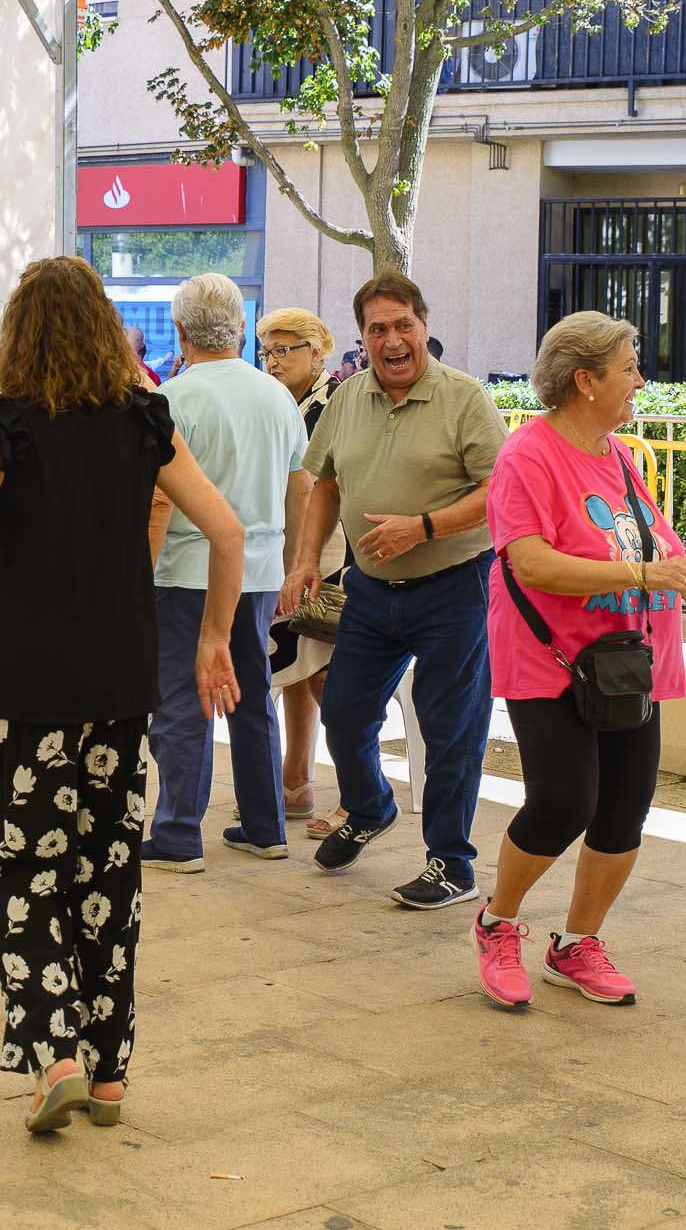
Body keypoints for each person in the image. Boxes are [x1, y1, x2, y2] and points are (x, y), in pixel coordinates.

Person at [0, 255, 244, 1133]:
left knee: (24, 870)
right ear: (103, 329)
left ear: (18, 330)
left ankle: (54, 1051)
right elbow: (229, 529)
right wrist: (213, 637)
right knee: (108, 872)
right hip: (121, 687)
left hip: (29, 690)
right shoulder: (143, 420)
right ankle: (110, 1074)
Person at [478, 313, 686, 1010]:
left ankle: (576, 943)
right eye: (629, 366)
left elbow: (649, 549)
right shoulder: (528, 454)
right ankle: (497, 921)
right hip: (552, 657)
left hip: (625, 660)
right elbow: (531, 560)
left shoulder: (617, 454)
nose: (641, 379)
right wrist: (643, 576)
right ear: (586, 379)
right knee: (563, 799)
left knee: (624, 807)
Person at [281, 272, 506, 911]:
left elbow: (501, 494)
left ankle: (452, 864)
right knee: (344, 713)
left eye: (402, 325)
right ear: (363, 338)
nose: (392, 340)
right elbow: (323, 484)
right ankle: (373, 806)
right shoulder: (349, 398)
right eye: (377, 329)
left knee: (448, 728)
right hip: (371, 591)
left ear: (424, 327)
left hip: (454, 589)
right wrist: (304, 563)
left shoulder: (463, 399)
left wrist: (425, 527)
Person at [144, 274, 306, 871]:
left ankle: (180, 832)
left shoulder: (173, 400)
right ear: (241, 328)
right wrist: (290, 564)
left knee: (185, 699)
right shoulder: (277, 396)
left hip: (188, 568)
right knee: (251, 692)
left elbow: (160, 500)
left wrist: (140, 572)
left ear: (181, 332)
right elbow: (300, 487)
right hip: (260, 569)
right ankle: (267, 827)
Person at [256, 306, 341, 835]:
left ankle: (357, 794)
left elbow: (320, 481)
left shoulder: (335, 400)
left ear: (317, 352)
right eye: (268, 351)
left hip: (328, 555)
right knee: (295, 666)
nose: (273, 360)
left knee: (328, 675)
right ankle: (295, 780)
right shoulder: (279, 398)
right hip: (281, 552)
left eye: (284, 350)